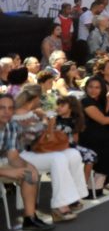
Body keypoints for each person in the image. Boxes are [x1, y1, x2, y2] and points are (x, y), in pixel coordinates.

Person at [13, 86, 86, 221]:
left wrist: (44, 120)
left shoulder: (32, 113)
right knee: (58, 158)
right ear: (34, 99)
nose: (41, 101)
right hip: (19, 154)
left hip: (33, 151)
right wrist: (46, 123)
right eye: (40, 98)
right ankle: (59, 206)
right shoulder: (16, 114)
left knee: (73, 154)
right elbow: (27, 140)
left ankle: (73, 196)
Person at [0, 93, 55, 231]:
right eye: (2, 108)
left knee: (29, 173)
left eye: (10, 108)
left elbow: (13, 156)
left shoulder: (10, 125)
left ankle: (29, 218)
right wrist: (7, 172)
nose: (7, 112)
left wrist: (27, 166)